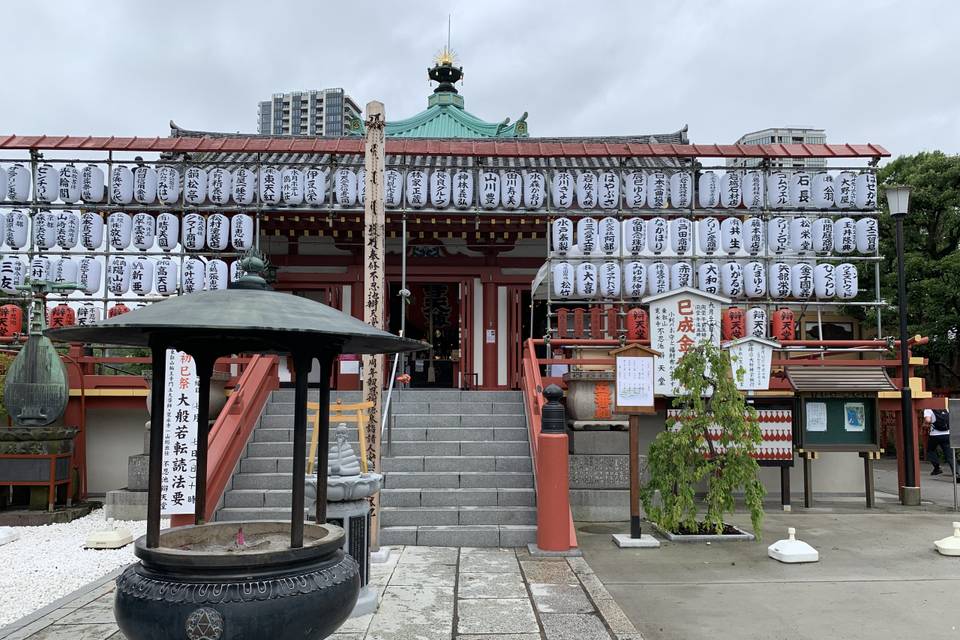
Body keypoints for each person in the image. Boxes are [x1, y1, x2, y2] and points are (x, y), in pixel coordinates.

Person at [924, 408, 958, 479]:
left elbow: (928, 420)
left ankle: (937, 468)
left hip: (934, 436)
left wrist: (928, 423)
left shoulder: (928, 408)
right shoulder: (946, 408)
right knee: (950, 456)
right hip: (947, 434)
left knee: (930, 451)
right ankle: (957, 474)